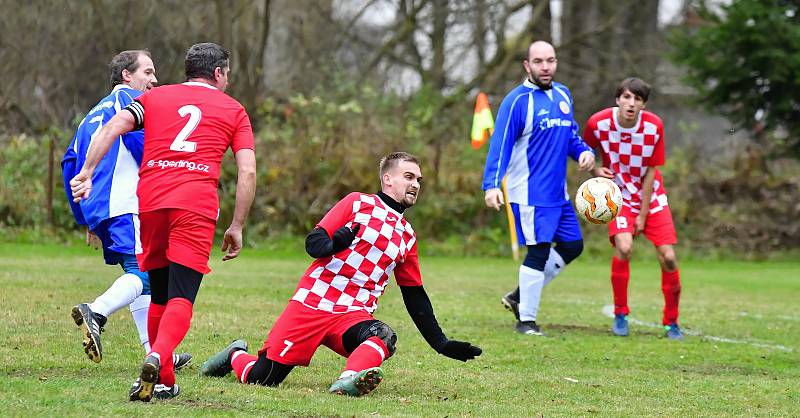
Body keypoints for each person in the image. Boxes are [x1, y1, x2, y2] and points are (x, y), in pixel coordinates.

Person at [199, 152, 481, 397]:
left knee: (383, 335)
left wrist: (441, 344)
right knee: (261, 379)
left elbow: (414, 295)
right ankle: (235, 354)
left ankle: (348, 380)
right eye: (409, 176)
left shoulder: (407, 236)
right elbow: (314, 243)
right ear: (388, 179)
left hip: (352, 316)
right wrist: (336, 243)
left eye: (419, 180)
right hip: (312, 305)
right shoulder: (357, 203)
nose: (416, 184)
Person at [70, 42, 257, 401]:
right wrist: (237, 225)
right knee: (182, 295)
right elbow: (247, 172)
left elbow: (111, 128)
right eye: (227, 74)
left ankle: (164, 379)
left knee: (158, 292)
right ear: (218, 73)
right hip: (195, 206)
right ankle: (158, 354)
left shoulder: (154, 98)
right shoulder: (234, 110)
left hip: (151, 202)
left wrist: (88, 172)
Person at [61, 50, 192, 369]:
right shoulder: (133, 106)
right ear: (127, 76)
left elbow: (69, 165)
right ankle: (97, 310)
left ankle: (155, 352)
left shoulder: (92, 114)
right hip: (127, 202)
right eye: (148, 72)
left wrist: (84, 217)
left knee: (140, 276)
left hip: (100, 206)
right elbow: (145, 147)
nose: (154, 79)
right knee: (145, 275)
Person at [482, 41, 595, 336]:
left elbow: (570, 134)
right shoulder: (516, 101)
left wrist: (583, 151)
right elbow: (500, 144)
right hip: (530, 193)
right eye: (539, 61)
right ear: (527, 65)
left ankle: (519, 296)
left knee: (573, 245)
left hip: (559, 195)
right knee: (539, 251)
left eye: (551, 60)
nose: (546, 66)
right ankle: (527, 322)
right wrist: (492, 185)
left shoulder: (562, 94)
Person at [582, 77, 683, 340]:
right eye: (626, 97)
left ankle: (671, 323)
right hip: (619, 195)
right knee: (625, 248)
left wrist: (643, 213)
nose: (631, 103)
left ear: (644, 105)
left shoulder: (654, 126)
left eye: (637, 99)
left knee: (669, 257)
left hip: (651, 196)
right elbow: (584, 150)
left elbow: (652, 170)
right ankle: (620, 314)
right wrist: (595, 170)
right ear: (618, 99)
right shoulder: (598, 122)